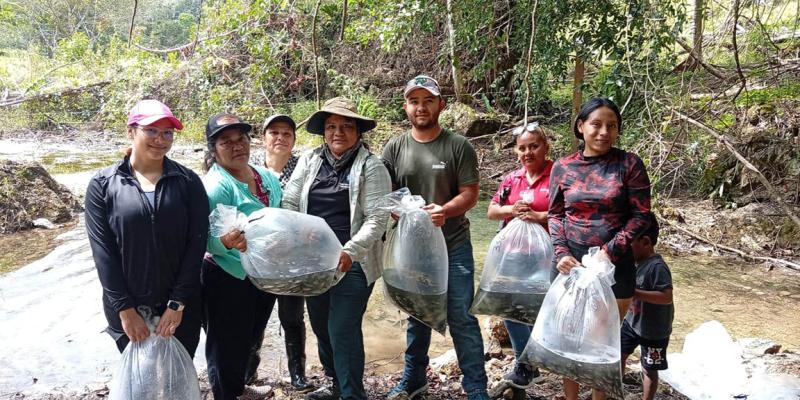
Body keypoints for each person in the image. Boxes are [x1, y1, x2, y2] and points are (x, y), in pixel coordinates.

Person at [383, 75, 489, 400]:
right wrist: (396, 211)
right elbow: (386, 195)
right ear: (406, 107)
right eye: (414, 101)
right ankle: (413, 380)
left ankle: (476, 388)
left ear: (441, 105)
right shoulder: (395, 147)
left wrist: (445, 210)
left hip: (454, 244)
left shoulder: (458, 146)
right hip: (412, 250)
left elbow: (470, 194)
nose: (421, 107)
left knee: (461, 315)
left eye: (428, 100)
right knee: (418, 314)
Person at [282, 97, 391, 400]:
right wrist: (297, 230)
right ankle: (335, 384)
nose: (338, 132)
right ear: (323, 131)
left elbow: (377, 218)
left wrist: (350, 251)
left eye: (346, 126)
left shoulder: (371, 166)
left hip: (352, 261)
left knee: (342, 328)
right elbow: (290, 200)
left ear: (358, 131)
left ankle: (353, 393)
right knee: (320, 325)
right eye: (331, 126)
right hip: (313, 259)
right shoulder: (310, 160)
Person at [85, 99, 209, 356]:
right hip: (128, 308)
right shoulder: (103, 184)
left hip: (181, 306)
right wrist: (124, 309)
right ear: (131, 131)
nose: (160, 139)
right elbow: (103, 253)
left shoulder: (188, 181)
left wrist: (177, 303)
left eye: (167, 133)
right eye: (151, 130)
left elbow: (196, 244)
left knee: (178, 373)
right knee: (139, 376)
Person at [548, 97, 652, 400]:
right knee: (568, 338)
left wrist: (610, 251)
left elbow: (641, 215)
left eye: (612, 125)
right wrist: (561, 252)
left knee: (602, 343)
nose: (604, 132)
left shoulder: (629, 164)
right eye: (596, 124)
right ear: (581, 127)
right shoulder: (563, 167)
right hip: (570, 265)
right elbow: (555, 214)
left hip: (615, 268)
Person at [201, 113, 283, 400]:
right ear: (213, 150)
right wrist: (225, 242)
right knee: (225, 345)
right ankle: (225, 394)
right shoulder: (216, 187)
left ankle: (239, 388)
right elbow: (203, 240)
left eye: (242, 139)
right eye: (226, 142)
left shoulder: (265, 177)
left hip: (261, 273)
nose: (237, 146)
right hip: (227, 275)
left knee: (249, 336)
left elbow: (279, 216)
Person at [244, 114, 314, 392]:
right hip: (258, 256)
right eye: (274, 133)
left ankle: (298, 374)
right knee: (255, 317)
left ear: (294, 140)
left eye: (287, 133)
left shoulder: (304, 167)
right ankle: (248, 371)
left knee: (292, 317)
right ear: (263, 137)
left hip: (293, 258)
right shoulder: (249, 167)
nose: (280, 138)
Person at [486, 121, 552, 391]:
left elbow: (568, 212)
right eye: (522, 148)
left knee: (538, 309)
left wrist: (539, 216)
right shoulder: (512, 179)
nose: (528, 153)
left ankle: (532, 363)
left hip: (545, 256)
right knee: (507, 306)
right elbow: (492, 211)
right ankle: (526, 364)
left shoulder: (558, 176)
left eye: (533, 146)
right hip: (513, 255)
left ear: (545, 147)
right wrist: (511, 210)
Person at [621, 215, 674, 400]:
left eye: (630, 243)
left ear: (646, 242)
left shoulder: (657, 267)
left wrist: (634, 293)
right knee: (618, 354)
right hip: (631, 323)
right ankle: (614, 390)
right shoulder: (635, 263)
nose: (626, 247)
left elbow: (666, 297)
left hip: (654, 331)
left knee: (649, 369)